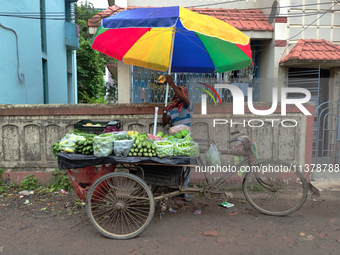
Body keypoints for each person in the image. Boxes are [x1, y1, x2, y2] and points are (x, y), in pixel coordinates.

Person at [162, 75, 193, 201]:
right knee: (176, 164)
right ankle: (177, 188)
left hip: (186, 140)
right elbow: (164, 122)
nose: (177, 95)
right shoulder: (172, 109)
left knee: (186, 165)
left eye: (179, 93)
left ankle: (184, 189)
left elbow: (182, 98)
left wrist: (171, 84)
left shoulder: (188, 106)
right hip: (174, 140)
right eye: (176, 93)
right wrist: (164, 111)